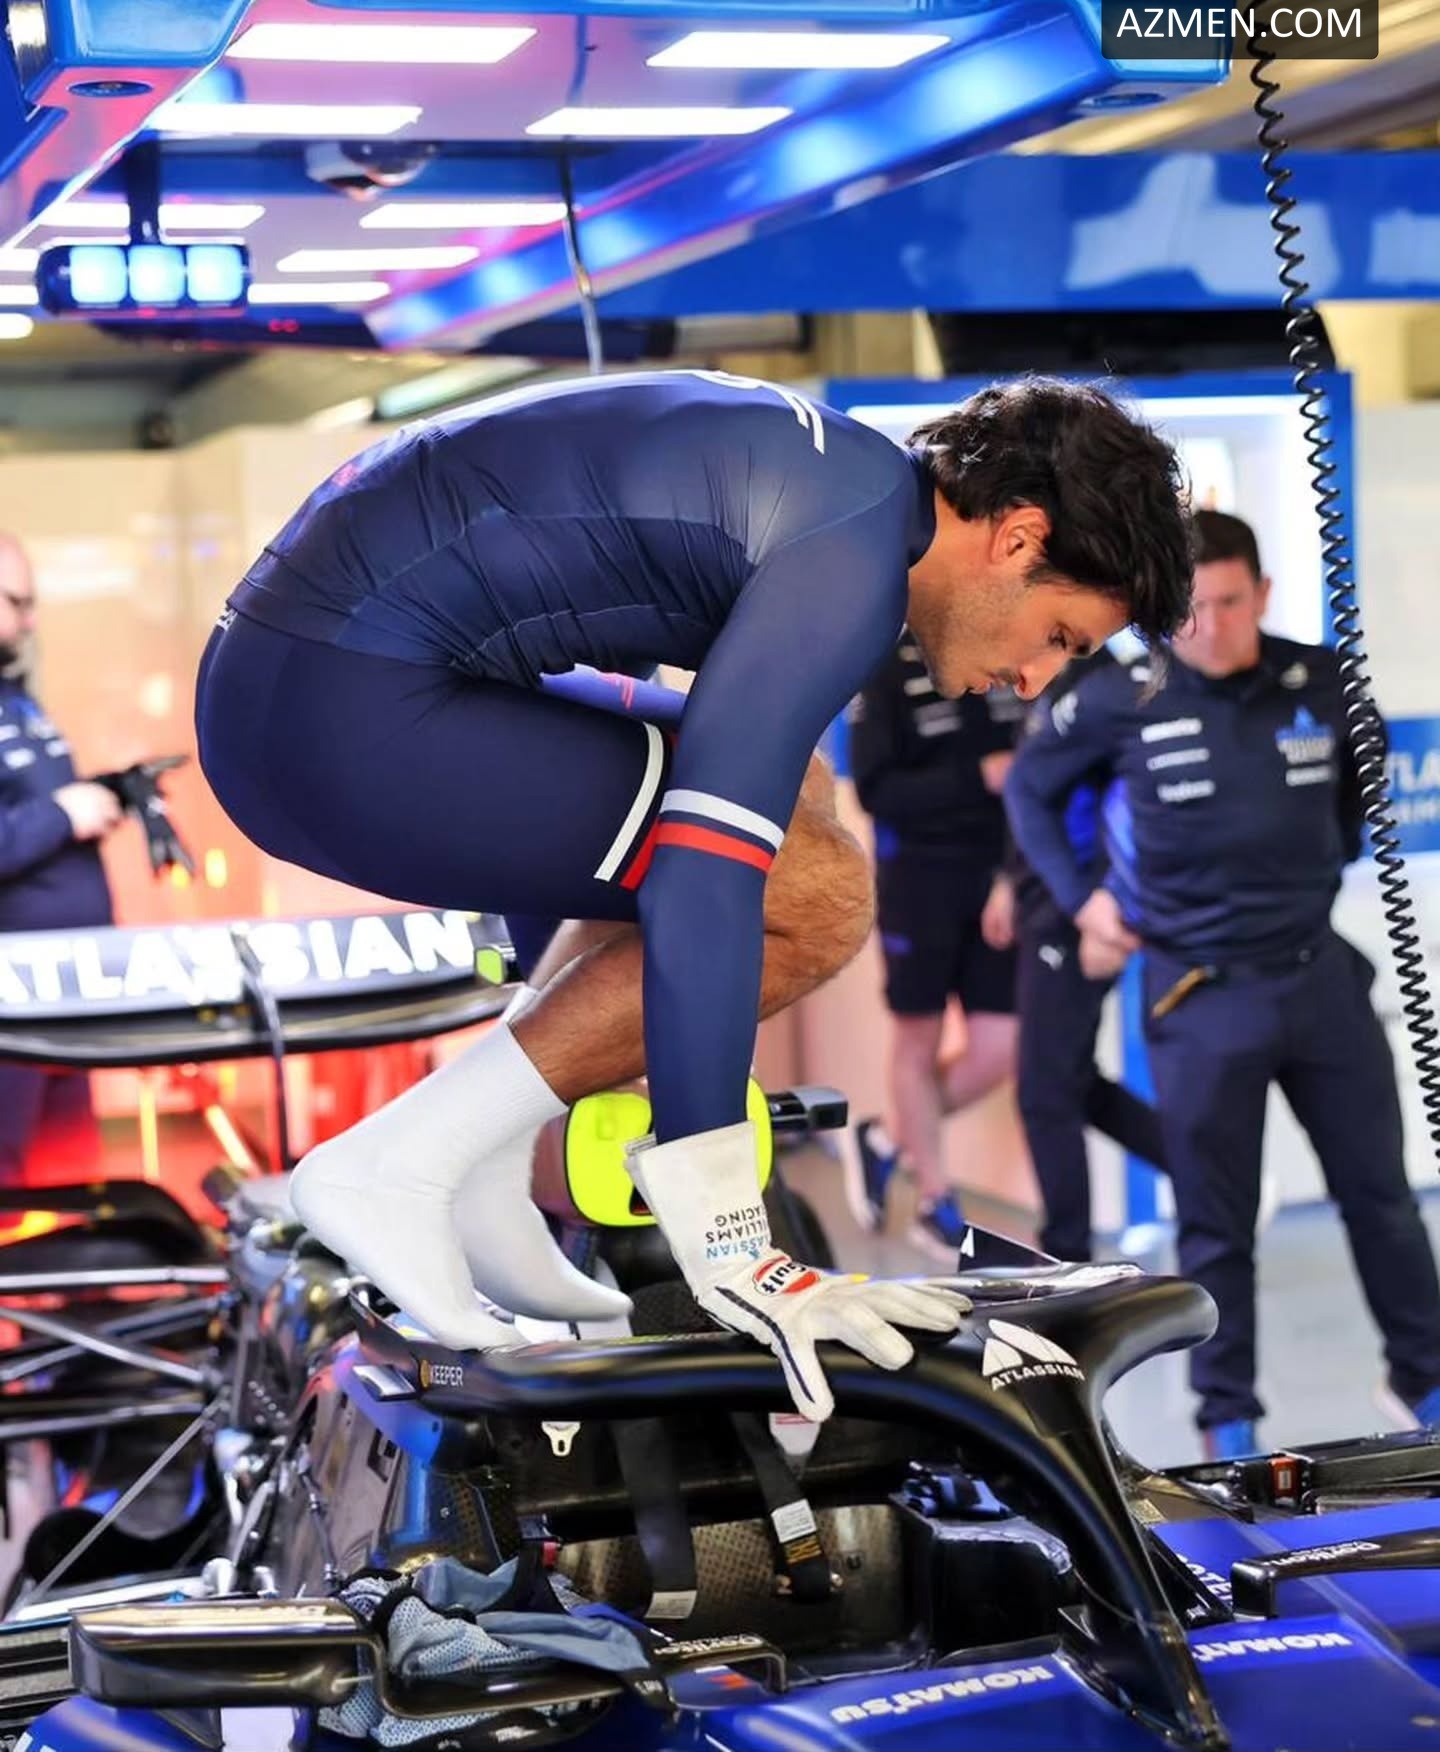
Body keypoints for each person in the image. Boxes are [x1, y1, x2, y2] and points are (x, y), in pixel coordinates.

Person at [195, 368, 1194, 1423]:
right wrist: (734, 1248)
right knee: (818, 897)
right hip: (328, 708)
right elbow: (705, 881)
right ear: (1019, 538)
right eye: (1061, 636)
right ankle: (398, 1165)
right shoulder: (850, 563)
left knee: (793, 795)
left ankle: (476, 1156)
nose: (1035, 680)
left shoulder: (846, 487)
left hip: (306, 675)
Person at [1005, 507, 1440, 1457]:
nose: (1209, 625)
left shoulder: (1322, 682)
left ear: (1264, 594)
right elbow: (1030, 790)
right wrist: (1084, 902)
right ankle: (1227, 1420)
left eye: (1231, 603)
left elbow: (1351, 816)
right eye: (1191, 609)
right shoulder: (1120, 693)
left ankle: (1423, 1376)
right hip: (1197, 994)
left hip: (1318, 979)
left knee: (1382, 1198)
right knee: (1215, 1227)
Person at [843, 630, 1025, 1256]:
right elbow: (874, 791)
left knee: (1002, 1045)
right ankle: (934, 1201)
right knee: (918, 1039)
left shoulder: (1009, 651)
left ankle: (885, 1139)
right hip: (918, 881)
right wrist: (975, 776)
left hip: (997, 880)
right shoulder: (883, 667)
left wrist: (1013, 877)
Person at [1006, 646, 1167, 1264]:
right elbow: (1033, 792)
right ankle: (1212, 1175)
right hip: (1045, 903)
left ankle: (1065, 1256)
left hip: (1076, 915)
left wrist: (1104, 913)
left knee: (1045, 1093)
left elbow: (1127, 806)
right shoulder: (1050, 675)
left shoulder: (1111, 685)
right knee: (1070, 1081)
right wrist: (1007, 883)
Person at [0, 531, 123, 1181]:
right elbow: (41, 816)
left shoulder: (17, 696)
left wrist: (106, 794)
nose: (31, 620)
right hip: (11, 1002)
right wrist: (62, 814)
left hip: (66, 989)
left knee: (72, 1179)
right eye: (17, 602)